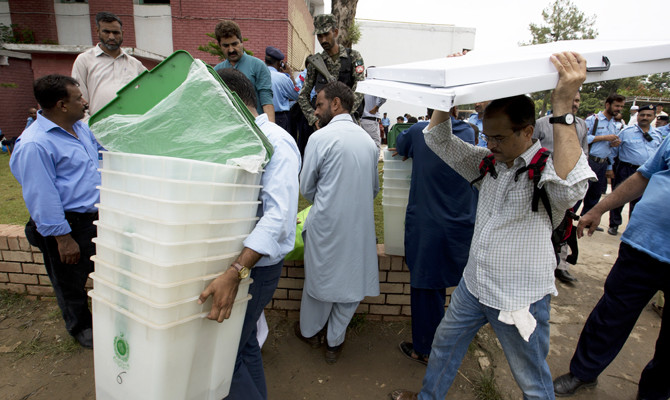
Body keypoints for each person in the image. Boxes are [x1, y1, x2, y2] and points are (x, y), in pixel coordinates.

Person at [390, 51, 595, 400]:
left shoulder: (546, 171)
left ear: (528, 131)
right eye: (487, 137)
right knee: (443, 346)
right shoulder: (489, 163)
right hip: (475, 285)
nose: (490, 145)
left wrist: (562, 107)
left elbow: (573, 186)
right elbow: (436, 139)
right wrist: (447, 86)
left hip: (518, 298)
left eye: (498, 138)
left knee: (531, 379)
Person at [198, 68, 300, 400]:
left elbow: (278, 218)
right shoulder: (245, 139)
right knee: (243, 347)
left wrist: (235, 272)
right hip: (246, 267)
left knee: (223, 358)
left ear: (230, 101)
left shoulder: (275, 142)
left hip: (255, 269)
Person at [553, 131, 670, 400]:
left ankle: (654, 392)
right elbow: (644, 176)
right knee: (611, 315)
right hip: (642, 247)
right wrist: (598, 209)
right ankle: (583, 372)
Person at [10, 74, 104, 349]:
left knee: (99, 271)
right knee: (68, 281)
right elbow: (42, 196)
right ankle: (80, 327)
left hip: (94, 217)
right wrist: (63, 238)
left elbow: (100, 153)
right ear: (62, 105)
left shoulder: (80, 128)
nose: (85, 102)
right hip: (67, 224)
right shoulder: (35, 144)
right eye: (78, 98)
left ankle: (103, 318)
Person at [296, 81, 379, 364]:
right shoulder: (369, 143)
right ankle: (334, 341)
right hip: (359, 226)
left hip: (327, 225)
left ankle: (310, 331)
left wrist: (331, 196)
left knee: (319, 283)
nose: (316, 111)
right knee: (351, 285)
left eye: (319, 104)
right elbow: (374, 189)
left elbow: (306, 187)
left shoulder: (319, 139)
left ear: (335, 104)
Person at [395, 107, 478, 365]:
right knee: (445, 285)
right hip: (460, 223)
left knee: (425, 289)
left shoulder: (421, 131)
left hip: (429, 225)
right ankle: (446, 339)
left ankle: (425, 349)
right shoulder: (471, 133)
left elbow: (400, 144)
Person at [533, 91, 588, 284]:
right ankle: (540, 265)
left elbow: (583, 152)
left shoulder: (581, 124)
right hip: (543, 185)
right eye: (570, 99)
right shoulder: (541, 124)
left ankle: (560, 265)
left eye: (577, 100)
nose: (574, 104)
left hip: (569, 186)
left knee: (564, 228)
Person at [297, 13, 365, 149]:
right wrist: (314, 119)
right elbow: (302, 96)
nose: (323, 40)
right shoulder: (315, 63)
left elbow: (361, 87)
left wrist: (343, 113)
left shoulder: (353, 57)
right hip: (325, 126)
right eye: (319, 36)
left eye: (326, 34)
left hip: (348, 123)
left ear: (335, 32)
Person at [71, 12, 146, 118]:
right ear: (97, 32)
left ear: (122, 33)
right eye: (106, 32)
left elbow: (150, 90)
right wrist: (88, 128)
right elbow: (78, 99)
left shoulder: (134, 64)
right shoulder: (85, 60)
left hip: (132, 126)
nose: (111, 37)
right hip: (98, 128)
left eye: (116, 33)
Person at [606, 105, 662, 236]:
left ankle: (632, 227)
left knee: (640, 202)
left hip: (646, 172)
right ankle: (614, 224)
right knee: (619, 197)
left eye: (648, 115)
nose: (645, 118)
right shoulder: (626, 132)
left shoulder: (658, 135)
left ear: (653, 117)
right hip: (626, 169)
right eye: (642, 115)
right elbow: (613, 150)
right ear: (637, 116)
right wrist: (610, 168)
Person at [214, 20, 275, 122]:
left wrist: (270, 131)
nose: (231, 50)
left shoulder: (258, 66)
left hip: (254, 128)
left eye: (234, 44)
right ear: (219, 45)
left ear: (241, 41)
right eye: (226, 46)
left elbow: (266, 101)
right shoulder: (216, 71)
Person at [580, 94, 624, 218]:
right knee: (580, 192)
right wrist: (604, 137)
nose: (619, 109)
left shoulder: (614, 124)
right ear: (607, 105)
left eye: (621, 106)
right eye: (616, 106)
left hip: (603, 163)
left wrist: (610, 165)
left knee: (595, 194)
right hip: (590, 161)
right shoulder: (593, 120)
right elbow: (582, 138)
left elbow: (609, 148)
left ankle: (586, 219)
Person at [264, 46, 299, 133]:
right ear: (280, 63)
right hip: (279, 118)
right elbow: (297, 95)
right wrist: (290, 75)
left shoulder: (258, 75)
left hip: (262, 116)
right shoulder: (283, 78)